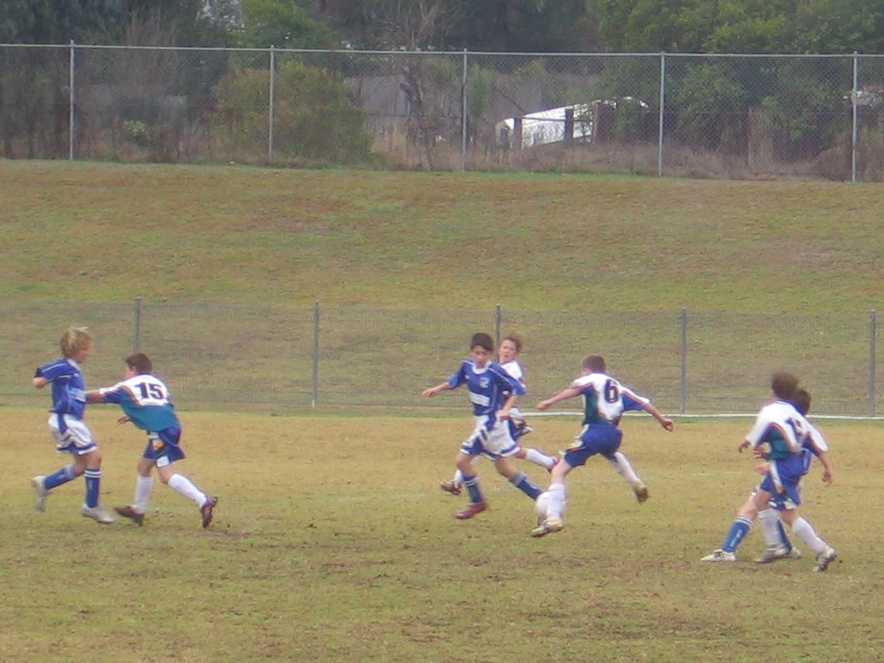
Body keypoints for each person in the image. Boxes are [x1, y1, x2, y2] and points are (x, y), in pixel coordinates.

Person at [700, 373, 837, 571]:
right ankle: (776, 546)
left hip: (784, 468)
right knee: (760, 500)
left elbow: (763, 426)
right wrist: (828, 467)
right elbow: (814, 441)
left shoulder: (771, 410)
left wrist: (749, 440)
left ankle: (823, 550)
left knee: (788, 515)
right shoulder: (795, 414)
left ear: (772, 391)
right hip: (785, 465)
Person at [531, 354, 674, 537]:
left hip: (595, 431)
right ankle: (635, 482)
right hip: (613, 434)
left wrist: (550, 401)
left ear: (586, 370)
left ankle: (552, 518)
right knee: (611, 453)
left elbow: (574, 390)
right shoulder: (617, 386)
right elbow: (643, 403)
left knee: (559, 471)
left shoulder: (591, 379)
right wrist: (662, 419)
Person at [85, 352, 218, 528]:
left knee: (166, 475)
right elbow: (158, 405)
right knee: (144, 467)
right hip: (170, 425)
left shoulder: (128, 385)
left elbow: (100, 396)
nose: (125, 374)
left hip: (160, 431)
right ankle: (138, 510)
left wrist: (74, 395)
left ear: (133, 369)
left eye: (126, 370)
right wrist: (136, 415)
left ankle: (203, 500)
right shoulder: (158, 383)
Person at [422, 332, 544, 519]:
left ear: (491, 353)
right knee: (503, 467)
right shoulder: (467, 366)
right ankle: (542, 497)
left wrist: (506, 409)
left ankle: (477, 501)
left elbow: (518, 389)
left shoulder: (495, 371)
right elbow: (455, 381)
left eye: (484, 354)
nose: (480, 358)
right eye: (477, 353)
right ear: (471, 352)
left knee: (462, 461)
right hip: (483, 421)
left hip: (491, 423)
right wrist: (436, 389)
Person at [439, 332, 557, 496]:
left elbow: (515, 389)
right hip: (495, 416)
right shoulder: (491, 367)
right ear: (499, 349)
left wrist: (504, 406)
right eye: (505, 347)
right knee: (492, 452)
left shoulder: (510, 368)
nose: (507, 351)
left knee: (501, 451)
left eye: (511, 349)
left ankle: (550, 464)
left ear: (516, 353)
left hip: (507, 417)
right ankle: (458, 481)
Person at [30, 326, 115, 524]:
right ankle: (91, 506)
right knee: (95, 457)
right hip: (66, 419)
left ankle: (46, 483)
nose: (87, 353)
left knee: (82, 465)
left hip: (73, 420)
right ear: (73, 349)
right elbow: (39, 378)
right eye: (84, 349)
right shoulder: (64, 366)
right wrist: (40, 382)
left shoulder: (75, 371)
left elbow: (77, 396)